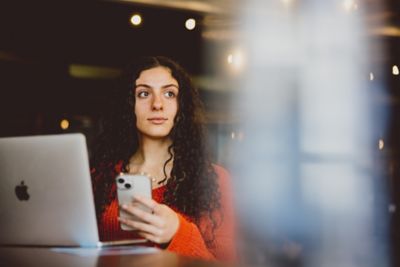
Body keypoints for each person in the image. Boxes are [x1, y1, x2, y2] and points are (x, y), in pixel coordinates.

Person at [90, 56, 236, 262]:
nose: (157, 104)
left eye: (169, 94)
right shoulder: (98, 177)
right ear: (128, 105)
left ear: (181, 106)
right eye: (143, 94)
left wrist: (178, 231)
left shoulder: (214, 179)